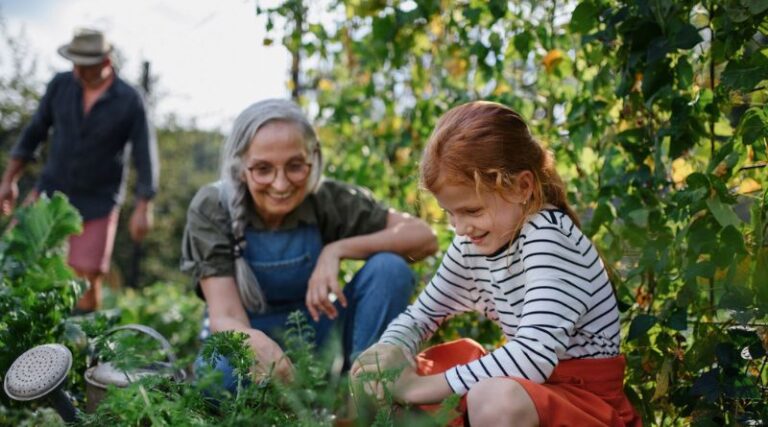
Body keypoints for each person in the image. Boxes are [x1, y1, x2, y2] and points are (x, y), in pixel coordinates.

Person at [352, 101, 641, 426]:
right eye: (451, 214)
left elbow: (533, 356)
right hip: (532, 387)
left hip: (582, 403)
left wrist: (419, 388)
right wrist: (393, 348)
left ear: (522, 187)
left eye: (472, 211)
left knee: (493, 399)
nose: (460, 228)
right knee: (377, 370)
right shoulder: (472, 244)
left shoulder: (549, 237)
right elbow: (422, 316)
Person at [181, 99, 438, 390]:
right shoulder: (213, 206)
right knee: (223, 375)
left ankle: (365, 389)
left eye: (295, 167)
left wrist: (336, 250)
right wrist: (261, 349)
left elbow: (423, 237)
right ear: (240, 166)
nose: (280, 185)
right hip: (245, 335)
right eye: (263, 169)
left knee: (389, 268)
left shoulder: (326, 199)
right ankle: (296, 400)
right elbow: (225, 316)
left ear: (313, 159)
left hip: (319, 338)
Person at [0, 28, 158, 312]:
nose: (77, 70)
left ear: (105, 63)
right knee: (14, 256)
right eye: (75, 62)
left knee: (85, 279)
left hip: (98, 201)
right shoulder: (61, 85)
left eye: (85, 65)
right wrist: (9, 179)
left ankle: (83, 345)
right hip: (51, 191)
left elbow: (146, 154)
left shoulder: (129, 99)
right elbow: (34, 132)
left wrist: (143, 205)